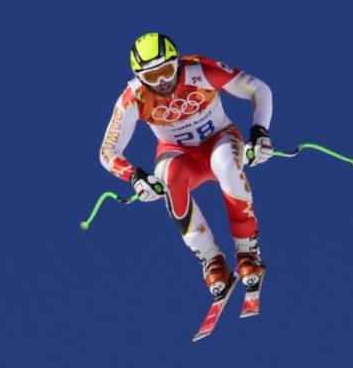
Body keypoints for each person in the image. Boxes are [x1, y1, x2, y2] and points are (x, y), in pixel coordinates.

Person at [99, 31, 274, 301]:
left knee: (226, 165)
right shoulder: (135, 98)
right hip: (179, 156)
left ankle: (247, 250)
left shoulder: (200, 71)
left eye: (167, 70)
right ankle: (210, 259)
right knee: (170, 177)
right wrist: (135, 177)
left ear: (177, 62)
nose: (162, 82)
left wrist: (260, 132)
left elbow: (259, 89)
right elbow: (107, 152)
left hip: (220, 140)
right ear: (139, 77)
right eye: (152, 77)